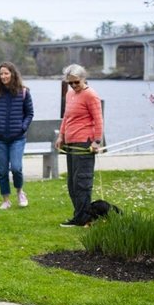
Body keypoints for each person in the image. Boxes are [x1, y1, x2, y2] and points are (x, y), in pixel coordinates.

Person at [56, 64, 103, 227]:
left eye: (76, 82)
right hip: (71, 143)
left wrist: (97, 141)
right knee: (72, 183)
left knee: (82, 182)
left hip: (85, 144)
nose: (74, 86)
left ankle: (83, 218)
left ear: (83, 79)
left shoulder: (91, 95)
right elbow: (66, 118)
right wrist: (61, 136)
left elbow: (98, 119)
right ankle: (80, 215)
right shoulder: (70, 94)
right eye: (71, 83)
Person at [0, 61, 35, 211]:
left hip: (17, 138)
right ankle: (6, 199)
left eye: (6, 73)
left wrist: (23, 127)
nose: (4, 76)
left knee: (16, 167)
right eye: (1, 74)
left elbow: (29, 113)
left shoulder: (24, 92)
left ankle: (20, 192)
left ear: (13, 74)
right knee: (1, 171)